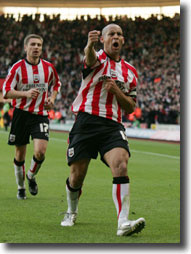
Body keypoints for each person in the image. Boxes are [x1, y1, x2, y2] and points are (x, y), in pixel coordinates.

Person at [61, 24, 145, 236]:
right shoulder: (97, 58)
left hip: (112, 125)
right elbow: (89, 59)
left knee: (121, 165)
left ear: (123, 40)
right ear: (104, 39)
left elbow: (131, 107)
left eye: (119, 34)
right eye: (111, 34)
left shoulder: (130, 72)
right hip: (86, 121)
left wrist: (116, 91)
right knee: (76, 177)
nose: (116, 37)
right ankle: (71, 211)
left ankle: (123, 222)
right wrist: (89, 45)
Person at [3, 34, 61, 200]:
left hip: (40, 115)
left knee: (40, 152)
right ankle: (21, 187)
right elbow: (6, 91)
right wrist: (25, 94)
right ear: (26, 48)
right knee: (20, 154)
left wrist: (52, 99)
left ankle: (31, 175)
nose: (36, 47)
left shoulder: (48, 68)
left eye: (39, 45)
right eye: (33, 44)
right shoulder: (17, 68)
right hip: (21, 115)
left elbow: (56, 84)